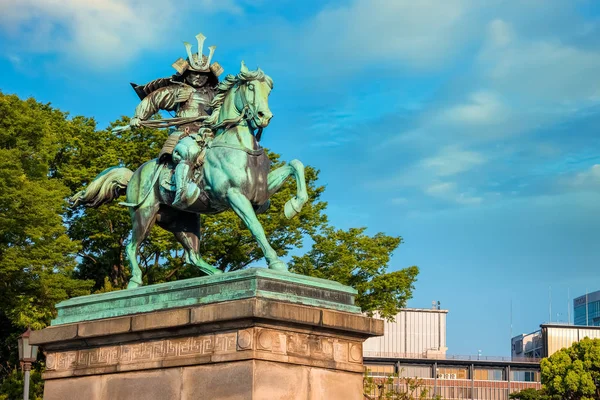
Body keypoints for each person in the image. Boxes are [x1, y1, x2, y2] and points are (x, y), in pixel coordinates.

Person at [129, 33, 223, 208]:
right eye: (194, 73)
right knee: (187, 153)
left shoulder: (216, 94)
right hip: (185, 134)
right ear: (186, 73)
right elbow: (153, 100)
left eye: (202, 74)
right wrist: (138, 117)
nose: (198, 77)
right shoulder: (177, 91)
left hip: (210, 135)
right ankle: (181, 193)